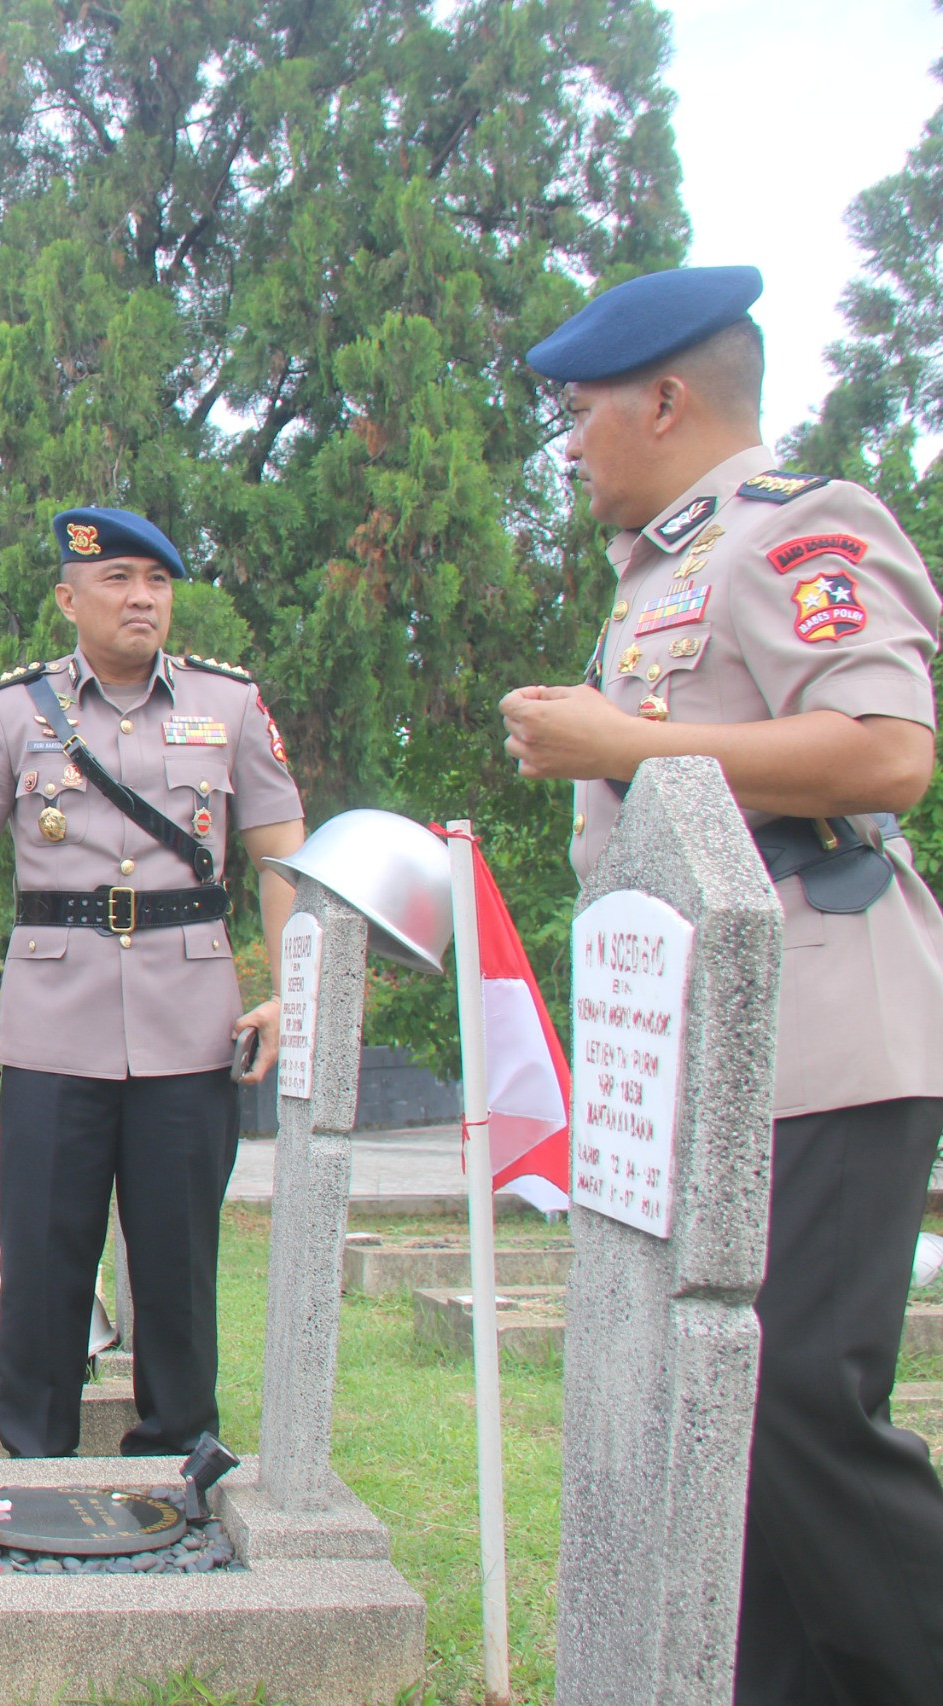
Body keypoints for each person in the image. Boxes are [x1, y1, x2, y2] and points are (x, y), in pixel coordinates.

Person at [502, 264, 943, 1704]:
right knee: (721, 1416)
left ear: (666, 400)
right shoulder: (654, 576)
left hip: (821, 1022)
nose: (569, 446)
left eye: (580, 415)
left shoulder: (799, 529)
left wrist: (621, 746)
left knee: (798, 1404)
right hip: (698, 1037)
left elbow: (885, 750)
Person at [0, 506, 302, 1460]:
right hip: (56, 1023)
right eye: (119, 581)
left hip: (190, 1018)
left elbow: (284, 854)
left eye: (158, 582)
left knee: (177, 1259)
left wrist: (294, 986)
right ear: (69, 598)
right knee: (45, 1260)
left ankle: (180, 1452)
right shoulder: (13, 714)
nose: (142, 599)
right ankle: (37, 1458)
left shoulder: (233, 707)